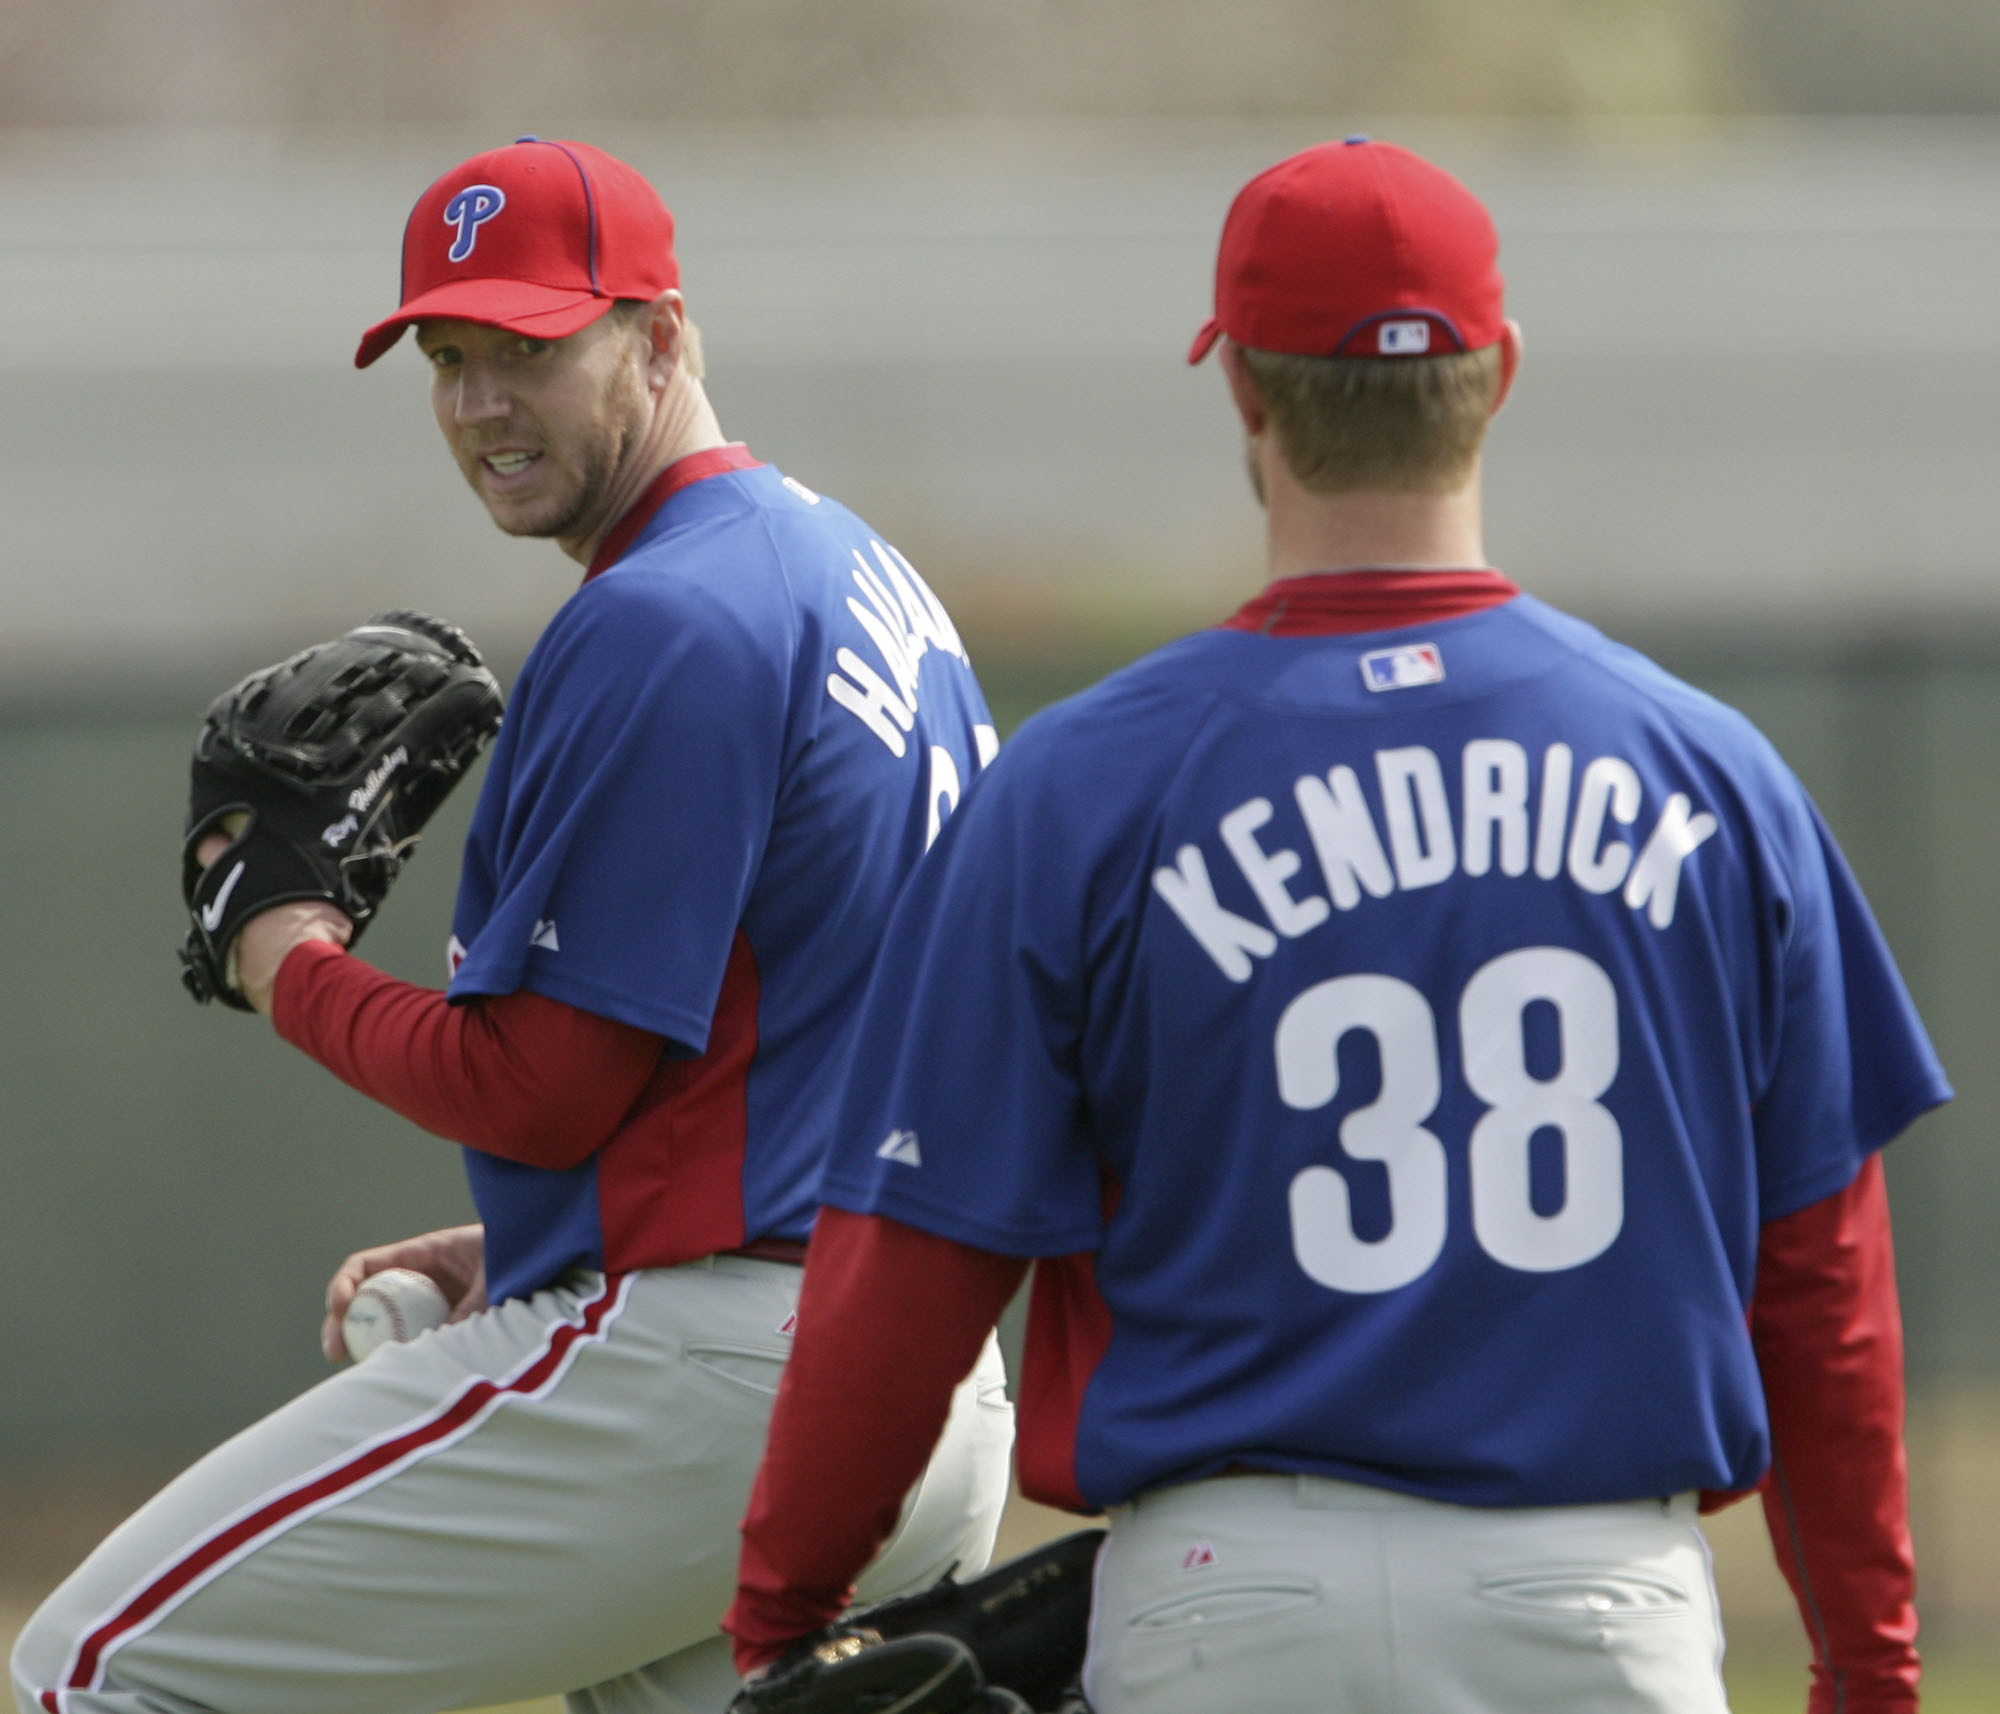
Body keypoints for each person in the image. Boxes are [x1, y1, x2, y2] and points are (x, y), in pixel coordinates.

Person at [724, 139, 1941, 1714]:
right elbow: (1821, 1277)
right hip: (1594, 1600)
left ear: (1242, 389)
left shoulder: (1086, 783)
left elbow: (914, 1256)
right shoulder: (1713, 775)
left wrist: (785, 1602)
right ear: (1498, 374)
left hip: (1232, 1598)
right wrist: (1871, 1664)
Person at [12, 137, 1013, 1714]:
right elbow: (815, 1047)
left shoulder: (665, 614)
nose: (480, 402)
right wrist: (550, 1236)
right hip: (923, 1368)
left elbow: (539, 1088)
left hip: (724, 1386)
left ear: (663, 335)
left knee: (95, 1667)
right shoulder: (853, 570)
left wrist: (285, 954)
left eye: (531, 347)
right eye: (448, 356)